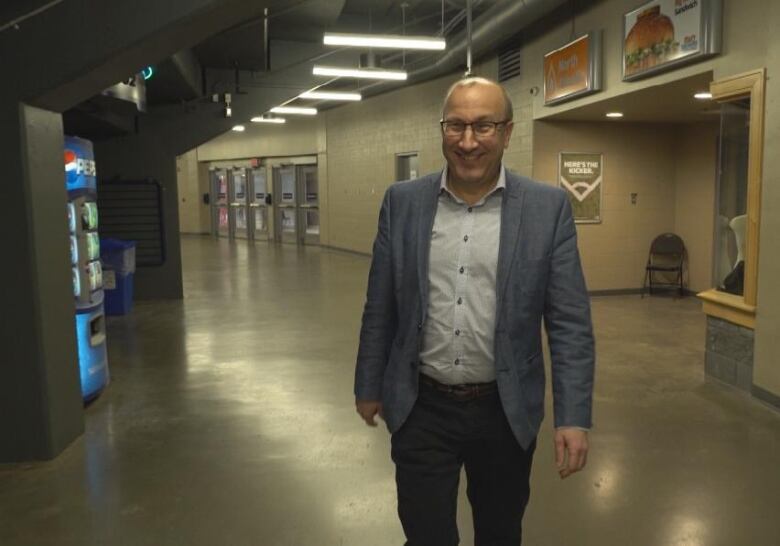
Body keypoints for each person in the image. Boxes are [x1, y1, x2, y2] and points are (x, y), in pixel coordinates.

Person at [354, 76, 595, 546]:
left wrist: (573, 416)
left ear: (506, 133)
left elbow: (569, 323)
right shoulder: (401, 203)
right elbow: (380, 305)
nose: (468, 141)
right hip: (420, 407)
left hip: (505, 411)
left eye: (483, 127)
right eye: (456, 126)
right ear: (442, 129)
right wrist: (368, 385)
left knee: (500, 533)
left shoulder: (547, 209)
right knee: (425, 535)